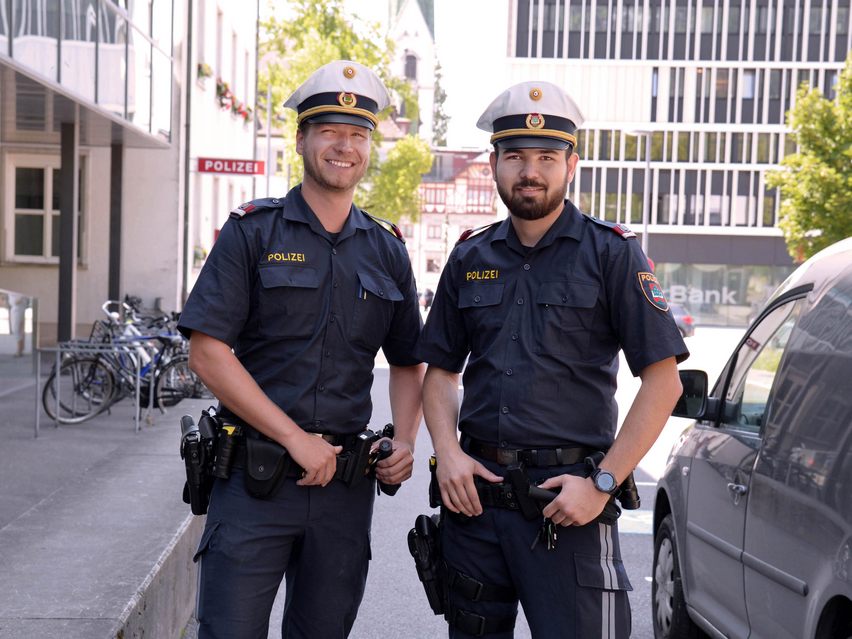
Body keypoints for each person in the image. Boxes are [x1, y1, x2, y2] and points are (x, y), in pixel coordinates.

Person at [415, 81, 689, 638]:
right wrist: (447, 455)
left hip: (567, 502)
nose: (529, 171)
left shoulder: (612, 254)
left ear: (572, 164)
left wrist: (604, 483)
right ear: (494, 164)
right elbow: (440, 371)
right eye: (514, 156)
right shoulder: (469, 256)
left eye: (546, 157)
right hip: (475, 501)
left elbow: (664, 383)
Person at [178, 60, 425, 639]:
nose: (345, 146)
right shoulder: (252, 231)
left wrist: (407, 440)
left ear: (369, 149)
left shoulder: (387, 250)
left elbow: (409, 360)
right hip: (253, 483)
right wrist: (294, 439)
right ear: (301, 140)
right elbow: (208, 351)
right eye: (330, 132)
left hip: (343, 490)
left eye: (358, 134)